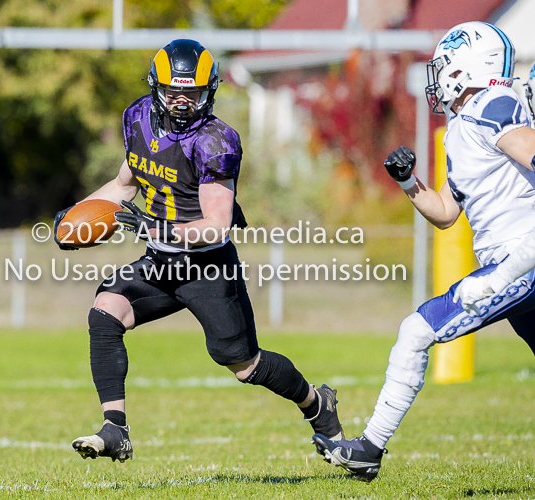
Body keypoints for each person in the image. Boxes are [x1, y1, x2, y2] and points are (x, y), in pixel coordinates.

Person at [55, 39, 344, 463]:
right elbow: (123, 185)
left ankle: (317, 404)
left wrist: (157, 226)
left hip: (207, 268)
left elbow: (216, 226)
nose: (181, 100)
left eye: (191, 92)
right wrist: (79, 212)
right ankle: (115, 429)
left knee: (244, 365)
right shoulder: (138, 119)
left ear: (208, 91)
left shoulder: (213, 141)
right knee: (105, 311)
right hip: (159, 261)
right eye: (173, 91)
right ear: (156, 87)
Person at [312, 21, 535, 482]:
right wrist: (409, 182)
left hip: (518, 262)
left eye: (444, 64)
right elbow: (448, 212)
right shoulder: (465, 122)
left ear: (467, 65)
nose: (437, 75)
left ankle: (369, 448)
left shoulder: (493, 103)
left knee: (415, 332)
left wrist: (503, 273)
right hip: (511, 262)